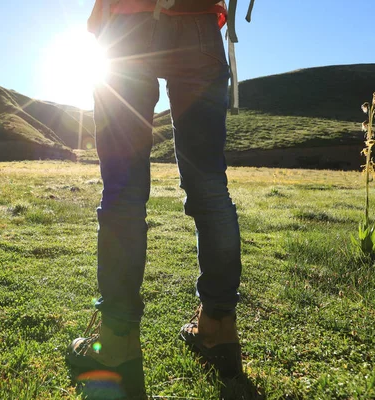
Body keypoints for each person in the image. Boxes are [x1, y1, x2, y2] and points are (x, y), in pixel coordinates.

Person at [66, 0, 243, 395]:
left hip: (127, 21)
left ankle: (115, 342)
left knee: (124, 188)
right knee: (211, 185)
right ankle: (218, 329)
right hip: (199, 22)